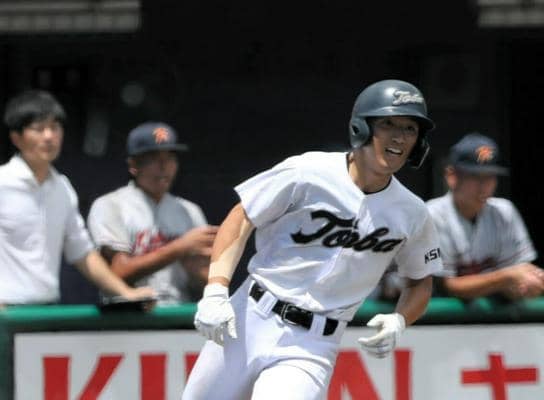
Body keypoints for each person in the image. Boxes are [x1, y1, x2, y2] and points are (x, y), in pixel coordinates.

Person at [182, 79, 443, 399]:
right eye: (388, 124)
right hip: (251, 316)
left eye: (410, 129)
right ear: (361, 127)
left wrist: (400, 319)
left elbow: (420, 281)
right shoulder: (308, 171)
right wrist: (215, 289)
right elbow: (242, 216)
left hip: (312, 344)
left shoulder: (412, 212)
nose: (399, 137)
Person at [0, 89, 155, 306]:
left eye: (55, 127)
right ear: (16, 138)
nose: (49, 136)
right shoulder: (3, 182)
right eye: (38, 129)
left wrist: (125, 293)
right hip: (5, 309)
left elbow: (83, 253)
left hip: (46, 310)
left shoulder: (62, 188)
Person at [87, 122, 218, 304]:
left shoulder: (190, 211)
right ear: (133, 165)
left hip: (178, 311)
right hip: (127, 314)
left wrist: (199, 273)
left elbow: (209, 282)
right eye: (154, 158)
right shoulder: (110, 205)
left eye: (170, 158)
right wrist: (179, 248)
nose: (164, 166)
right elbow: (116, 273)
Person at [427, 132, 544, 300]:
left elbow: (517, 276)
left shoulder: (504, 212)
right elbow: (446, 286)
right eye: (475, 177)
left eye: (490, 177)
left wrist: (527, 283)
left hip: (488, 316)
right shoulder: (432, 214)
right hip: (434, 316)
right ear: (452, 176)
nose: (484, 186)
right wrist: (507, 277)